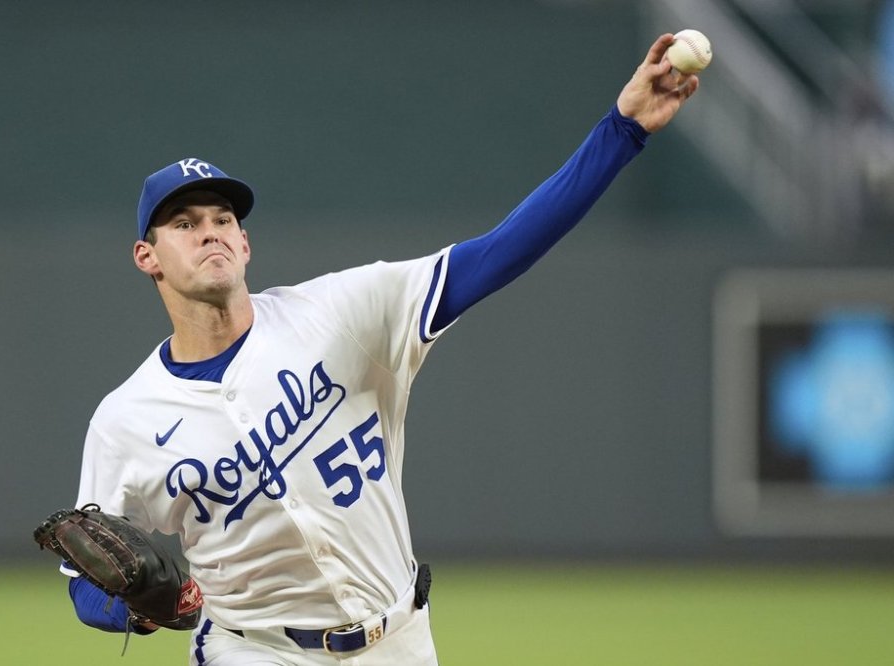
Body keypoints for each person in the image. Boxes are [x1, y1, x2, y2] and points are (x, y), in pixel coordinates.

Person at [59, 33, 700, 666]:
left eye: (223, 219)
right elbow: (85, 578)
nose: (210, 233)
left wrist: (624, 130)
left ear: (246, 244)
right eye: (185, 224)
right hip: (252, 651)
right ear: (148, 258)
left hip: (397, 642)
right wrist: (140, 610)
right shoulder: (127, 420)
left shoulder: (341, 313)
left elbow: (500, 251)